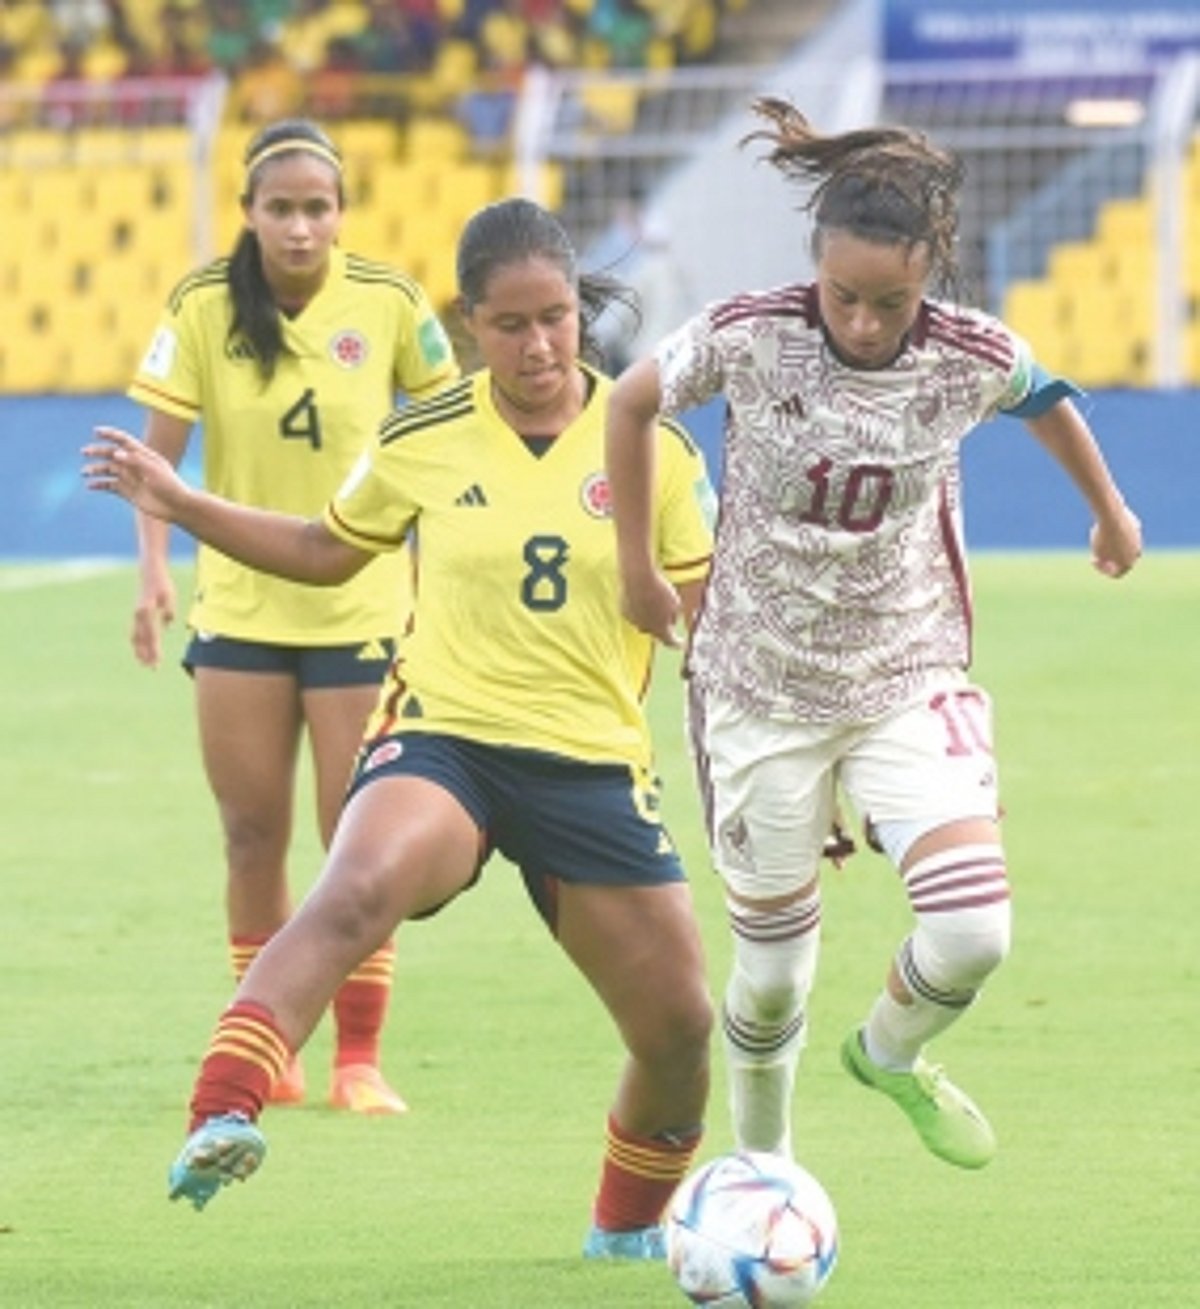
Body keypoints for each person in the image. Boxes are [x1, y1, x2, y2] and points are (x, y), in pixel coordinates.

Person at [84, 197, 716, 1258]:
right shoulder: (423, 437)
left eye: (555, 317)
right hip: (447, 738)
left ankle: (625, 1230)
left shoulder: (653, 446)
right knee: (356, 884)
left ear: (579, 309)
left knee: (681, 1028)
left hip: (592, 763)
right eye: (510, 325)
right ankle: (223, 1110)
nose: (539, 345)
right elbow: (328, 550)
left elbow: (710, 616)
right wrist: (182, 504)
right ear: (469, 325)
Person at [604, 97, 1143, 1170]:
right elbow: (628, 404)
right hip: (756, 685)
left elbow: (1047, 399)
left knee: (975, 931)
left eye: (888, 301)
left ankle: (890, 1052)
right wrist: (635, 570)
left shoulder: (967, 352)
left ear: (930, 274)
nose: (861, 321)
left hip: (906, 669)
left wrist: (1112, 509)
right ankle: (766, 1170)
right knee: (769, 975)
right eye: (843, 295)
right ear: (815, 267)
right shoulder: (749, 333)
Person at [126, 117, 459, 1115]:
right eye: (282, 208)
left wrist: (444, 580)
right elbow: (156, 467)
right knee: (249, 835)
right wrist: (152, 571)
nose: (302, 226)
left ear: (341, 214)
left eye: (318, 207)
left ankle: (360, 1057)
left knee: (353, 841)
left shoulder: (392, 304)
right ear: (249, 215)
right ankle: (266, 1046)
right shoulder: (200, 306)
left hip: (362, 601)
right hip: (238, 606)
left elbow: (448, 444)